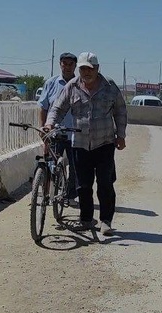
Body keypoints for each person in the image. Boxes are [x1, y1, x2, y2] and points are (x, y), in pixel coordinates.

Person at [45, 52, 127, 236]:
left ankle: (106, 221)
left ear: (97, 69)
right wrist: (50, 122)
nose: (86, 72)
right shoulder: (72, 86)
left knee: (105, 184)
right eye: (83, 68)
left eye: (90, 68)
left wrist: (121, 135)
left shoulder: (109, 86)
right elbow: (58, 107)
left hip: (104, 143)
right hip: (80, 144)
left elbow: (120, 110)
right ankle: (86, 219)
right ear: (79, 70)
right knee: (83, 185)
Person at [38, 52, 78, 206]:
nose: (67, 67)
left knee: (75, 167)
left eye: (70, 64)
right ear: (60, 64)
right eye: (64, 64)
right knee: (51, 164)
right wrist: (43, 127)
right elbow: (43, 107)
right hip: (55, 132)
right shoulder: (51, 83)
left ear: (75, 66)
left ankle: (70, 196)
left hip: (75, 133)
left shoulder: (79, 83)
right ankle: (47, 194)